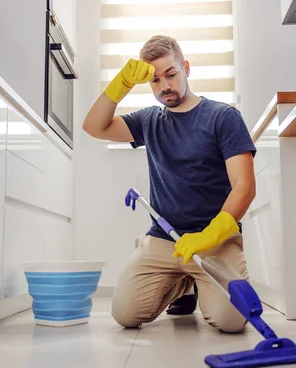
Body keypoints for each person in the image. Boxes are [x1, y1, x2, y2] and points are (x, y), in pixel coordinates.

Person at [82, 35, 256, 333]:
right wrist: (120, 85)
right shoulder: (149, 121)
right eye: (155, 80)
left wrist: (210, 235)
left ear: (186, 68)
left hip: (213, 241)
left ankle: (197, 280)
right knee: (125, 314)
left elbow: (244, 185)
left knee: (231, 321)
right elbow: (94, 127)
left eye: (171, 74)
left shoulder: (222, 117)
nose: (164, 86)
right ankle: (183, 282)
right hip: (165, 239)